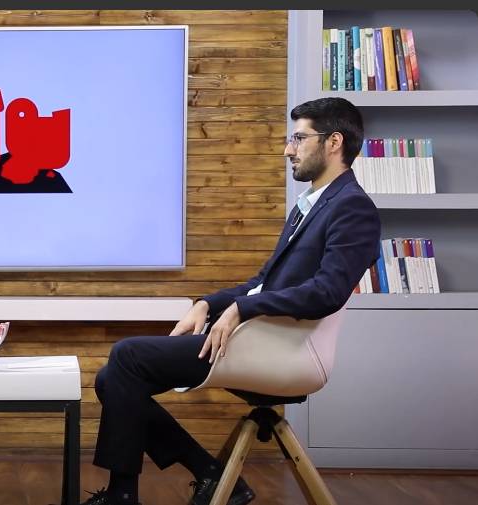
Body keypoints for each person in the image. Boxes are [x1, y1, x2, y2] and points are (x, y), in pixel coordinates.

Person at [82, 97, 381, 505]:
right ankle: (206, 475)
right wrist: (207, 303)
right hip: (261, 339)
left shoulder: (353, 208)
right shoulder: (311, 206)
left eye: (299, 138)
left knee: (127, 356)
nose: (288, 149)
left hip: (286, 350)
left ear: (334, 142)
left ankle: (125, 497)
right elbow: (263, 282)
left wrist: (243, 309)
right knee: (112, 378)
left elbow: (327, 292)